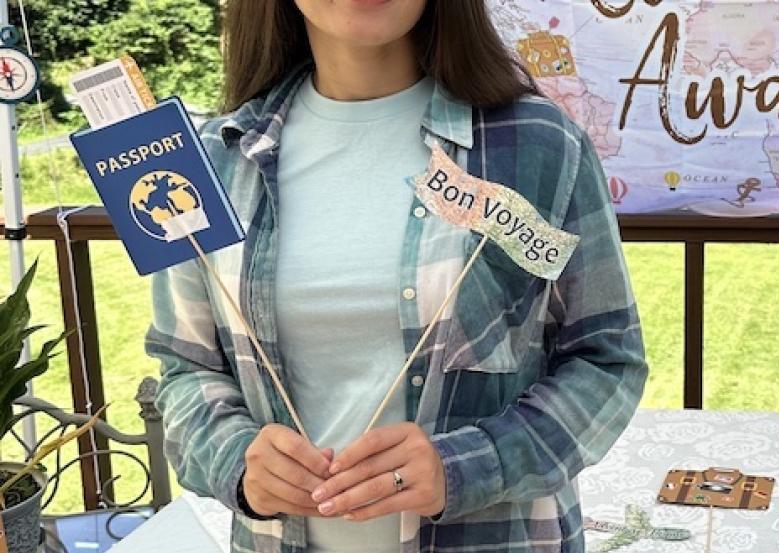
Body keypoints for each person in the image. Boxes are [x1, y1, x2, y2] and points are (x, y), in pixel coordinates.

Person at [145, 2, 648, 552]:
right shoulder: (212, 164)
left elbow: (606, 360)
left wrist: (467, 466)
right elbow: (186, 368)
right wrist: (238, 462)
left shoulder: (538, 145)